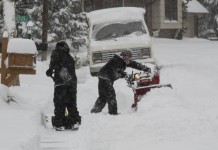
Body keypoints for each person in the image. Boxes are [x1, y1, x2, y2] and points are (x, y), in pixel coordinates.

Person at [91, 49, 151, 115]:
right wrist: (122, 74)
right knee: (111, 96)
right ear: (124, 56)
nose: (129, 58)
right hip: (106, 77)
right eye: (128, 56)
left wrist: (145, 68)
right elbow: (114, 73)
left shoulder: (123, 61)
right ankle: (113, 113)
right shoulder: (116, 61)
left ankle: (95, 111)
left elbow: (134, 64)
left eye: (130, 56)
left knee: (103, 96)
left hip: (104, 77)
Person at [46, 41, 81, 131]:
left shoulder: (56, 52)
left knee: (59, 104)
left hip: (61, 84)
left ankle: (59, 123)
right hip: (72, 84)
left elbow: (54, 61)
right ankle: (73, 122)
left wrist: (50, 70)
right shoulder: (70, 57)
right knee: (71, 104)